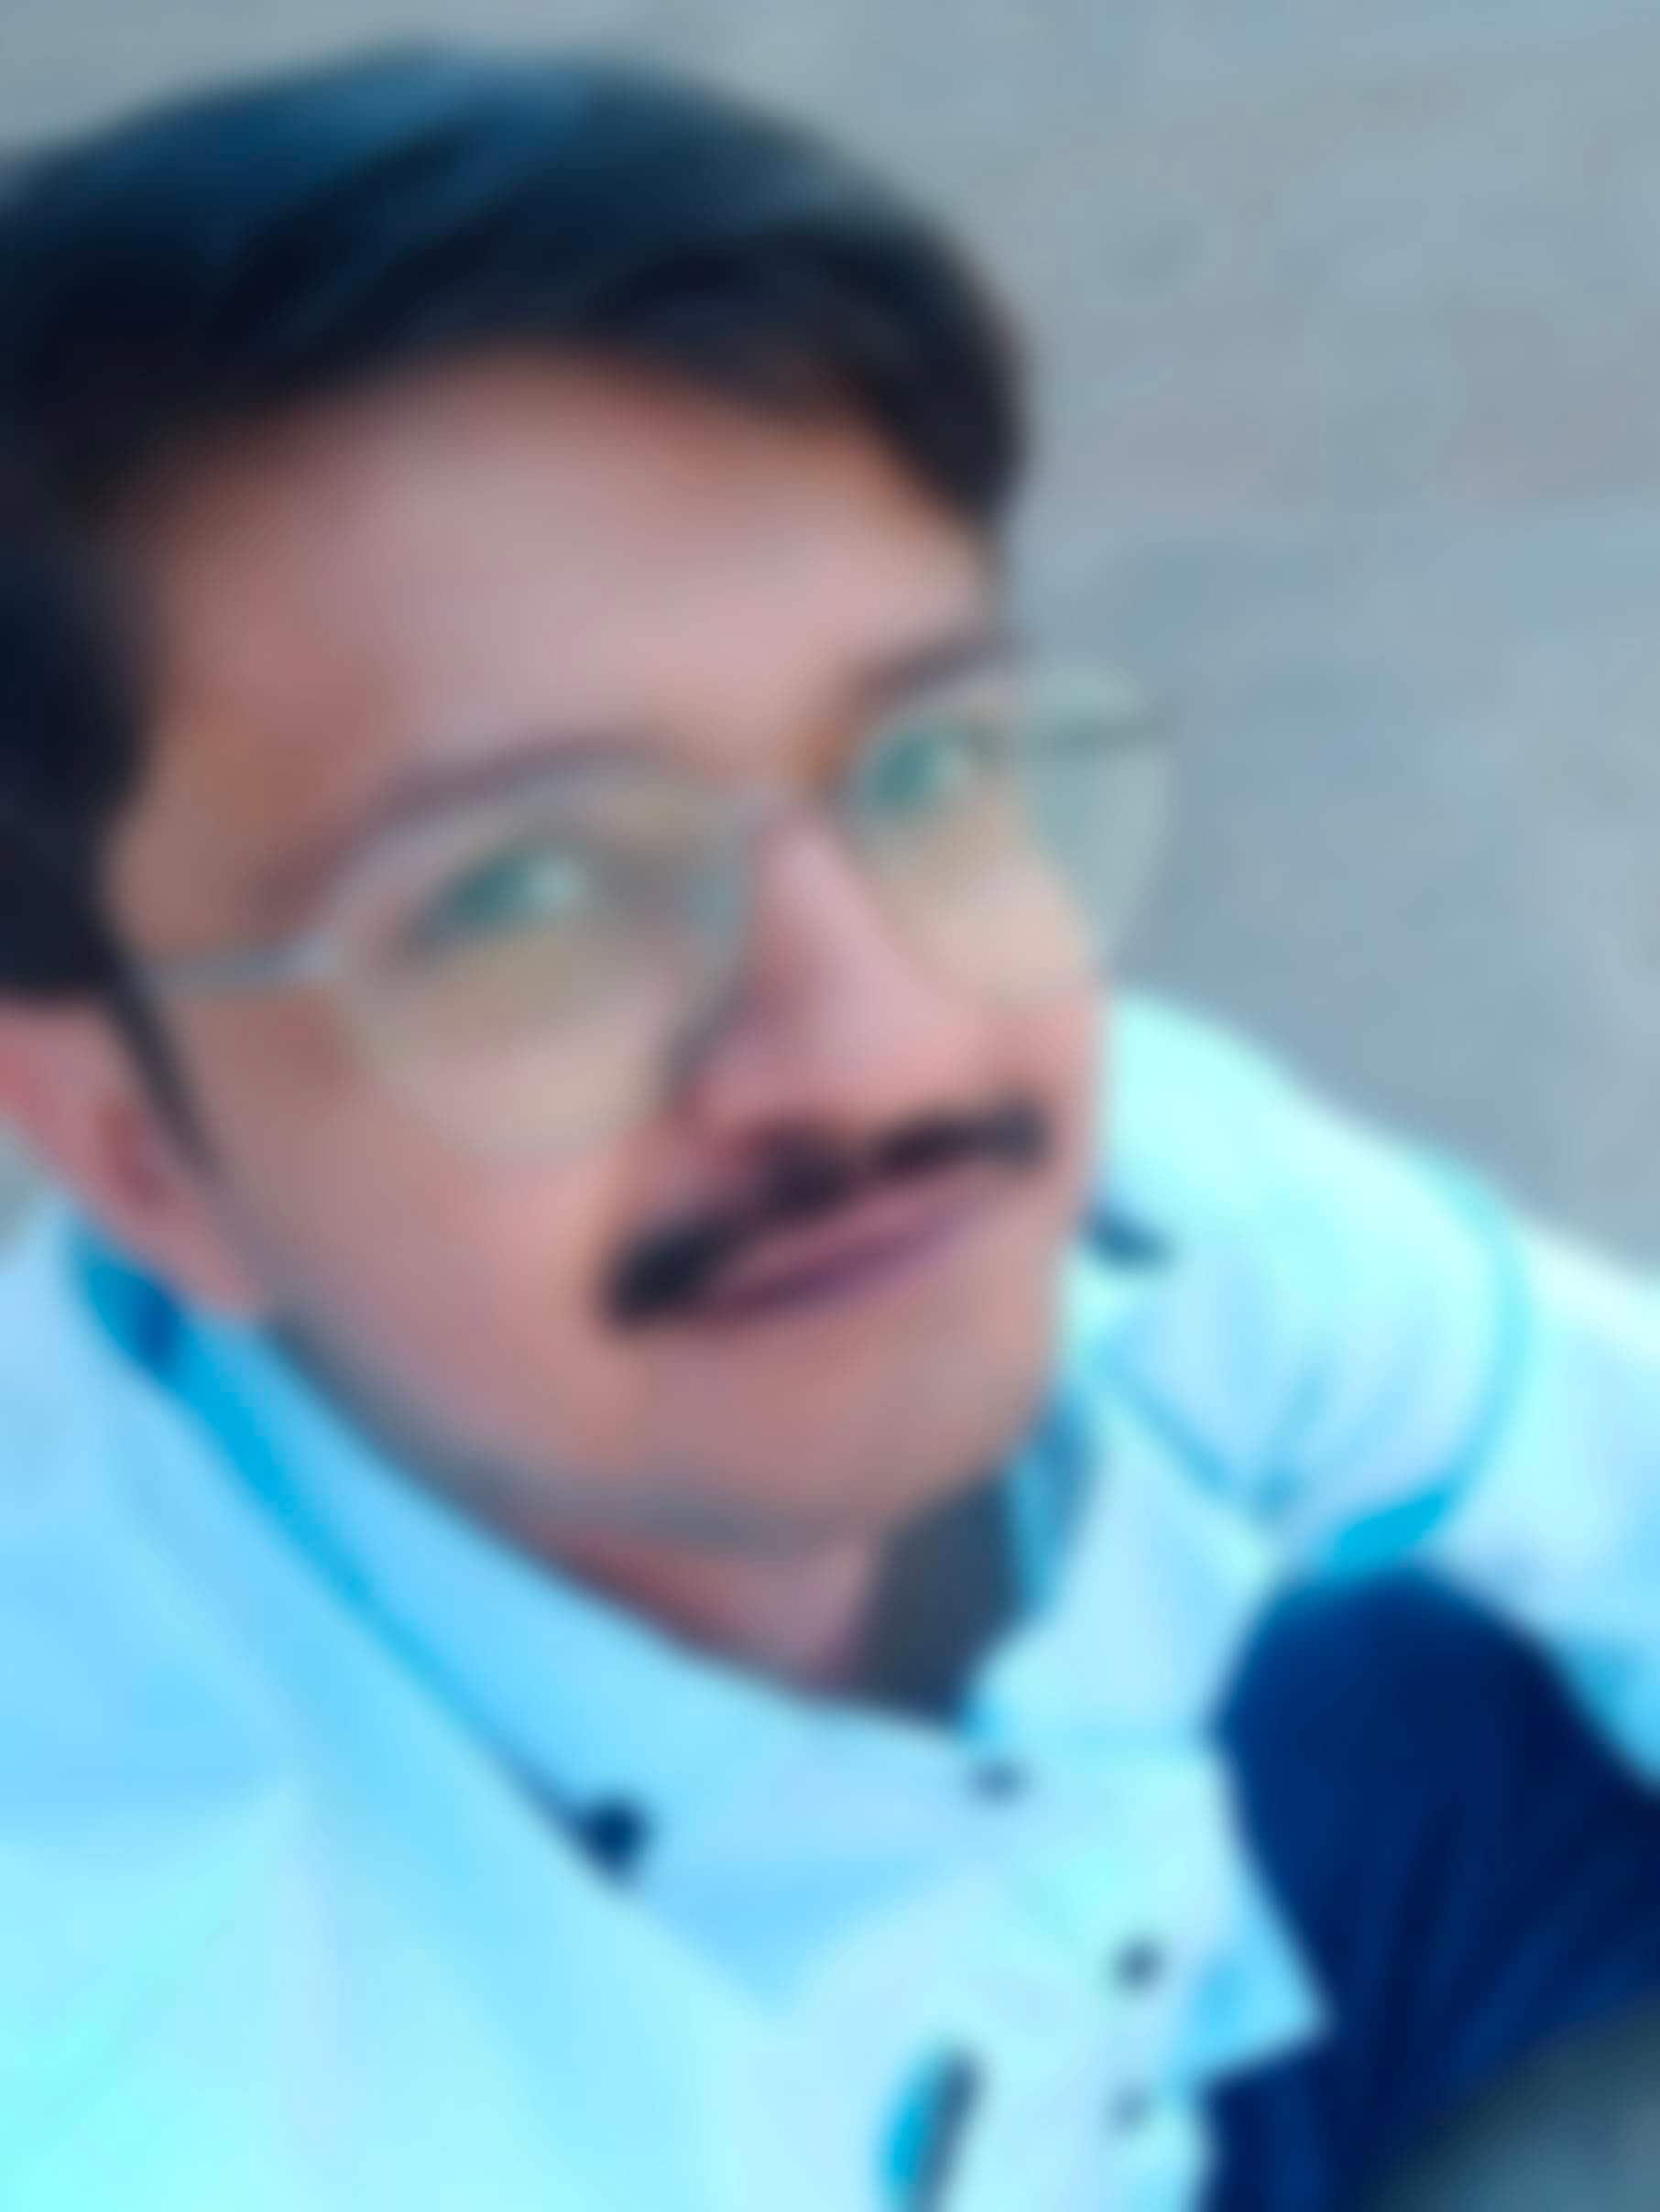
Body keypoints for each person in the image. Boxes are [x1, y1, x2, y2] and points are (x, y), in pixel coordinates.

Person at [4, 49, 1660, 2212]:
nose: (880, 1045)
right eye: (518, 898)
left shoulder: (1156, 1235)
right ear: (132, 1150)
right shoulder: (162, 2069)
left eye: (931, 767)